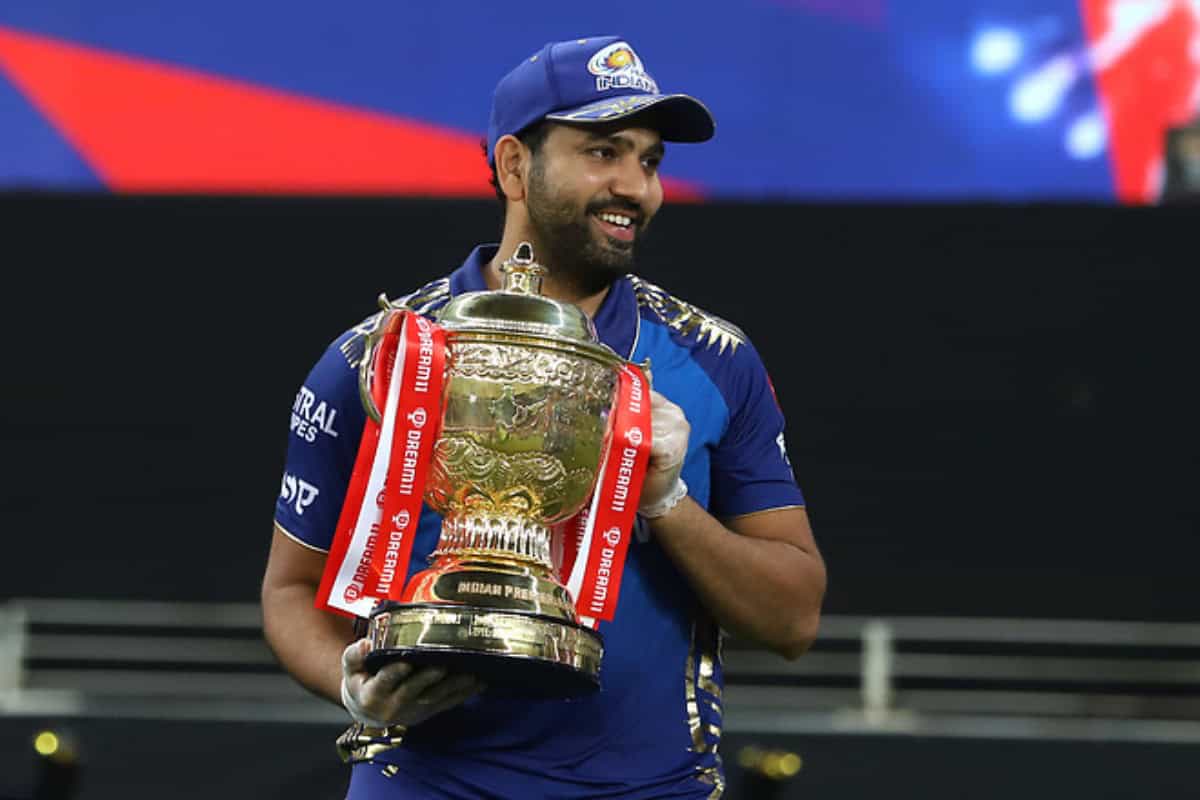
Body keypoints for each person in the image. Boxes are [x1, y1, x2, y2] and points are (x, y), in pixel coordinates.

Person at [262, 35, 826, 799]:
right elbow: (290, 591)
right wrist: (349, 685)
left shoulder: (716, 360)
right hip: (424, 784)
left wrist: (668, 503)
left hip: (652, 788)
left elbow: (792, 620)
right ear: (514, 166)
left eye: (651, 161)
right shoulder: (383, 358)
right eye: (603, 151)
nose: (636, 186)